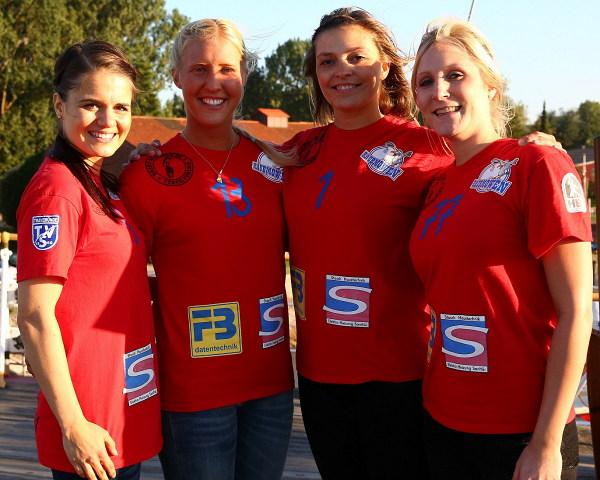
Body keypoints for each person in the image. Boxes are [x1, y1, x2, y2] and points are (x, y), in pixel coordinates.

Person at [409, 19, 591, 480]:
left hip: (520, 435)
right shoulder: (437, 185)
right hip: (441, 419)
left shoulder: (538, 163)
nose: (439, 91)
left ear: (491, 86)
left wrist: (546, 444)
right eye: (425, 82)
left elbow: (576, 314)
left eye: (455, 75)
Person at [118, 19, 294, 480]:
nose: (212, 83)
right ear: (175, 75)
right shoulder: (146, 175)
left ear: (244, 76)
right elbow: (119, 283)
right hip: (192, 397)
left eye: (225, 69)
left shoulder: (276, 166)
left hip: (271, 387)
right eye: (198, 69)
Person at [16, 41, 161, 480]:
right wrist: (74, 424)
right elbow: (36, 317)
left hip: (120, 413)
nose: (108, 120)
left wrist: (133, 161)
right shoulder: (57, 190)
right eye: (91, 105)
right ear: (60, 105)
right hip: (89, 426)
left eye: (120, 106)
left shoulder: (102, 182)